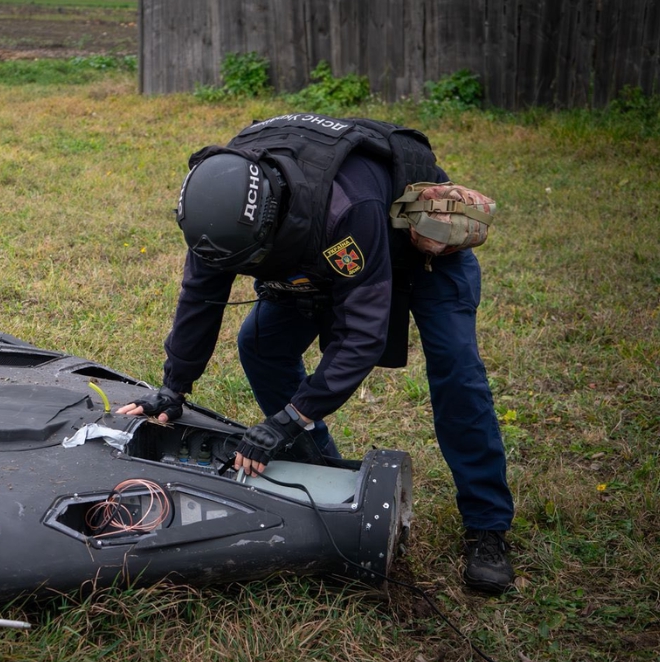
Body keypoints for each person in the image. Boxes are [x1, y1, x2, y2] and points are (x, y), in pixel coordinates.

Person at [117, 113, 515, 594]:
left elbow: (363, 334)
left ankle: (487, 527)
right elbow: (200, 299)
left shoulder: (344, 210)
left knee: (456, 371)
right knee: (261, 344)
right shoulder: (217, 213)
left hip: (414, 251)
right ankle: (323, 475)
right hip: (319, 254)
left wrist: (291, 417)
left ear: (269, 226)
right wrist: (173, 387)